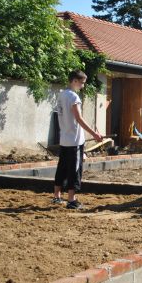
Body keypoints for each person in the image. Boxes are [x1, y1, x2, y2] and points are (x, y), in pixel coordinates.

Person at [53, 71, 102, 209]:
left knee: (62, 168)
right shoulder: (74, 97)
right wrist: (94, 134)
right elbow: (79, 119)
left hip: (64, 139)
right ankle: (71, 200)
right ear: (74, 81)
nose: (82, 86)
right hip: (75, 141)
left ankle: (57, 196)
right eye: (82, 83)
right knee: (75, 170)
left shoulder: (61, 94)